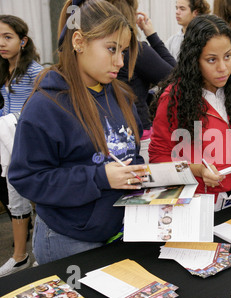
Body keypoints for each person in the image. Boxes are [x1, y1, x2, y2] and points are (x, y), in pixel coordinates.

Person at [8, 0, 146, 265]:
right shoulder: (45, 106)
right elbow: (28, 179)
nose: (119, 61)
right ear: (79, 42)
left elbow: (131, 154)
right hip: (69, 239)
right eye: (111, 49)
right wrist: (98, 177)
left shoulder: (122, 97)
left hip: (119, 230)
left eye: (124, 52)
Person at [149, 14, 231, 203]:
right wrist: (197, 169)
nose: (223, 67)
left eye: (228, 56)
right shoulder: (174, 98)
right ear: (194, 60)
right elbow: (159, 159)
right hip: (198, 200)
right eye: (211, 60)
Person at [106, 0, 177, 164]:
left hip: (112, 134)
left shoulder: (105, 55)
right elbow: (177, 76)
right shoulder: (135, 51)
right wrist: (152, 36)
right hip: (138, 133)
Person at [0, 14, 43, 276]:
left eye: (8, 37)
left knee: (39, 201)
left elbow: (41, 109)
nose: (1, 43)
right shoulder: (4, 69)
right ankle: (19, 256)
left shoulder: (35, 71)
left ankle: (42, 253)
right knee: (16, 201)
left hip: (30, 144)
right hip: (8, 145)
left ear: (23, 40)